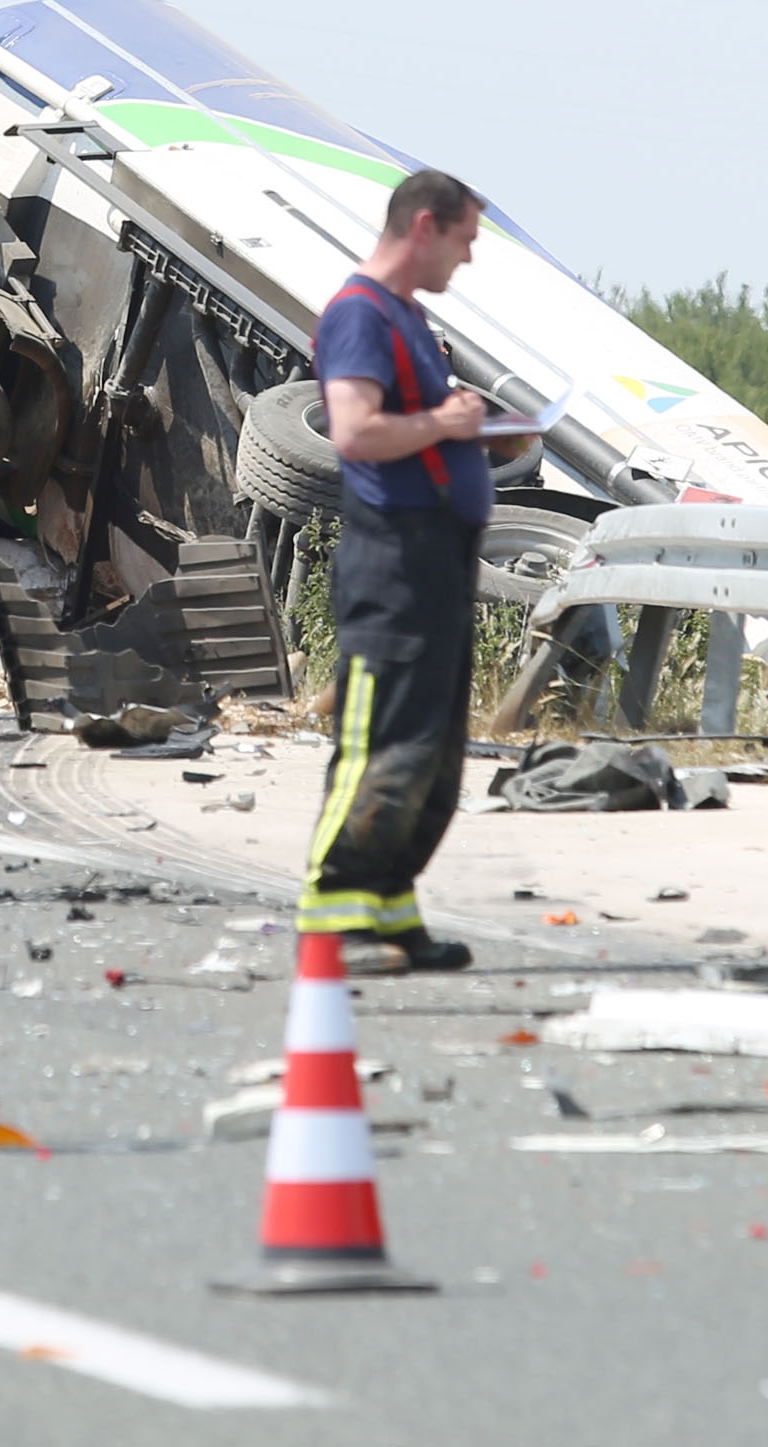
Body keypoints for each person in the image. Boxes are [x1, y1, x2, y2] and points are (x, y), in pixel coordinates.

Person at [295, 169, 501, 974]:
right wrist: (444, 421)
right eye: (465, 240)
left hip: (439, 561)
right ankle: (332, 911)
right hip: (393, 562)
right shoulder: (358, 313)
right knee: (380, 741)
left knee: (431, 751)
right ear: (424, 226)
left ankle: (388, 907)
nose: (468, 259)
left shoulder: (409, 318)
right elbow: (355, 431)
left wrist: (474, 434)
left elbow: (412, 427)